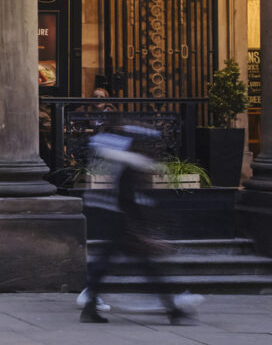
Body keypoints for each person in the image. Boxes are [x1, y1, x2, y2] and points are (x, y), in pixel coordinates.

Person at [79, 125, 204, 325]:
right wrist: (143, 230)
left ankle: (91, 306)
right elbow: (128, 199)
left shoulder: (129, 164)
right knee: (149, 269)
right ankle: (173, 311)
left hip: (121, 223)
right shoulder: (131, 166)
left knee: (106, 266)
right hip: (126, 225)